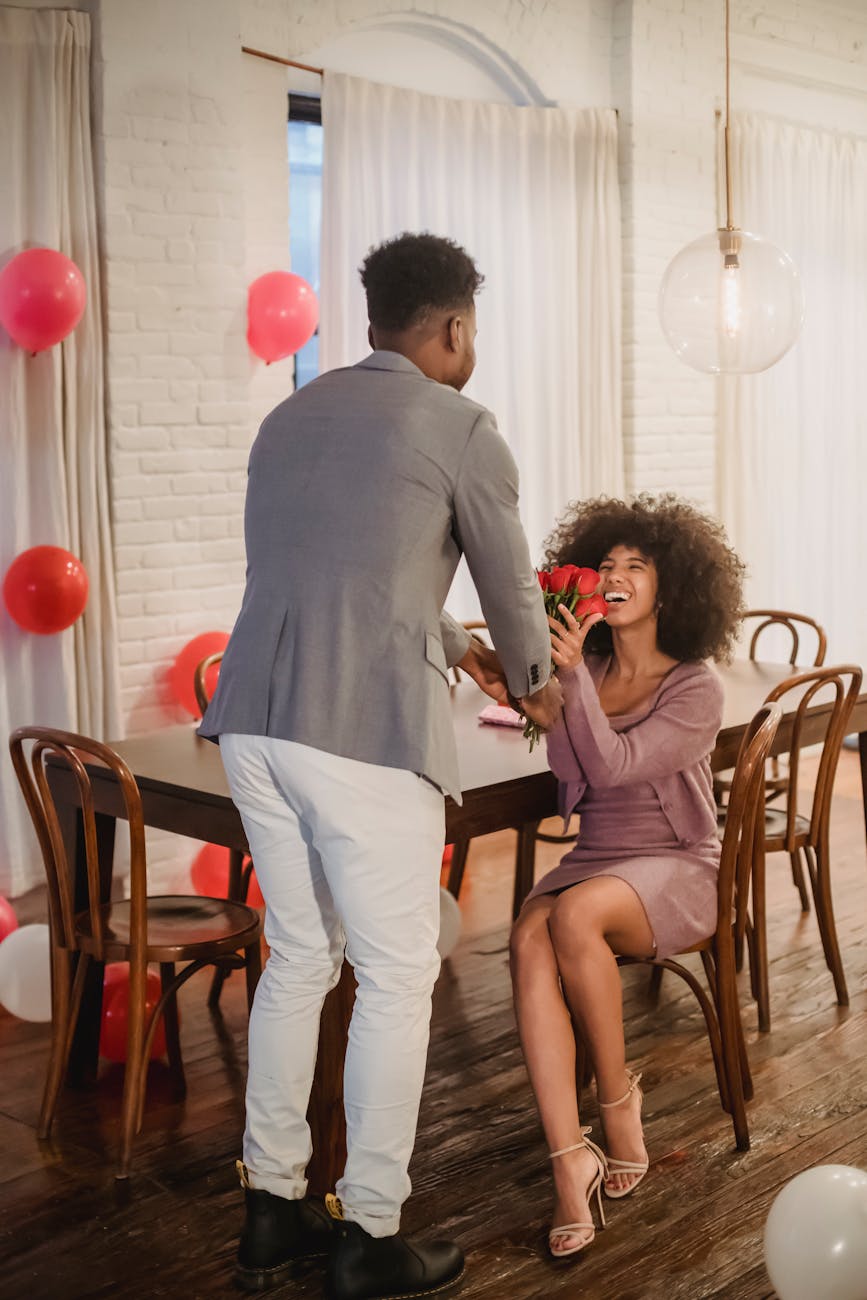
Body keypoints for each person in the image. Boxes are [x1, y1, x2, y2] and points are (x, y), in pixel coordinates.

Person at [199, 231, 562, 1299]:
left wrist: (458, 646)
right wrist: (535, 676)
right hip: (359, 731)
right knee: (399, 974)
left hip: (256, 720)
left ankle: (271, 1208)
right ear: (453, 330)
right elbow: (512, 585)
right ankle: (368, 1231)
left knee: (302, 957)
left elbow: (338, 573)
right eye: (474, 333)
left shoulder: (288, 416)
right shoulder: (461, 424)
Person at [509, 494, 745, 1260]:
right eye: (603, 565)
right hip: (599, 858)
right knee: (527, 935)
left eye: (634, 567)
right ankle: (566, 1157)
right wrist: (550, 697)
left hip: (678, 864)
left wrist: (568, 685)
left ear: (668, 588)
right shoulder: (593, 665)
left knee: (571, 918)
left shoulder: (696, 687)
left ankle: (616, 1105)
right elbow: (574, 774)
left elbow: (612, 764)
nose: (613, 577)